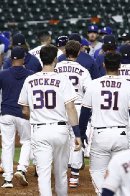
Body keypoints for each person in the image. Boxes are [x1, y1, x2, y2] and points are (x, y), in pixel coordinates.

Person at [18, 44, 82, 196]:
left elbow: (25, 110)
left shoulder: (30, 80)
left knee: (44, 175)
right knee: (60, 174)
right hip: (60, 130)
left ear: (41, 59)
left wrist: (38, 114)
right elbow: (71, 108)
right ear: (55, 59)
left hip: (40, 130)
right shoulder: (63, 79)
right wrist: (77, 134)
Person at [79, 52, 130, 195]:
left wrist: (81, 133)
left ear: (104, 65)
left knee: (97, 171)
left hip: (100, 135)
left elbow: (84, 113)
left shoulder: (94, 85)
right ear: (119, 66)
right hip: (121, 135)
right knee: (122, 175)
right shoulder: (129, 85)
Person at [55, 40, 92, 188]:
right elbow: (89, 91)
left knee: (60, 140)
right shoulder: (83, 71)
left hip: (58, 107)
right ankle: (74, 177)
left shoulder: (56, 68)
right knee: (76, 140)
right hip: (76, 106)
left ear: (65, 52)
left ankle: (61, 173)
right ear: (78, 53)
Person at [0, 47, 33, 188]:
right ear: (23, 58)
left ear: (11, 59)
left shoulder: (3, 74)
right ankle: (21, 169)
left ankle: (7, 179)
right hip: (23, 114)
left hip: (6, 113)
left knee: (7, 146)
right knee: (27, 141)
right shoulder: (30, 75)